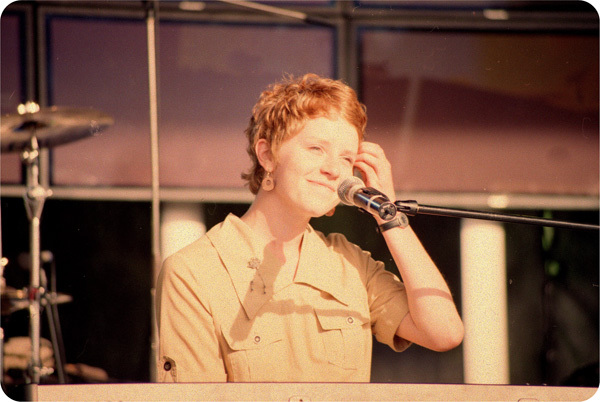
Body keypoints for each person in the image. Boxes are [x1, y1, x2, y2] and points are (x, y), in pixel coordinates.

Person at [155, 73, 464, 382]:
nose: (333, 169)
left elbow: (444, 332)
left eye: (346, 158)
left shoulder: (351, 264)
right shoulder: (193, 271)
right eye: (316, 148)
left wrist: (390, 215)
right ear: (267, 155)